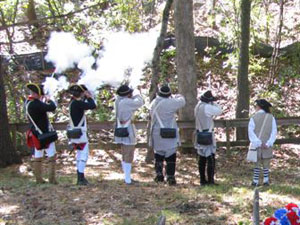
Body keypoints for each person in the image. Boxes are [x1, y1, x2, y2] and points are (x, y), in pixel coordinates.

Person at [150, 85, 186, 185]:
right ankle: (170, 177)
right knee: (170, 155)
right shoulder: (170, 102)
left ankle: (159, 175)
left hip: (157, 132)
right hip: (169, 131)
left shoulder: (154, 103)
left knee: (158, 155)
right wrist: (177, 95)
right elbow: (182, 101)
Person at [25, 83, 58, 184]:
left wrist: (43, 101)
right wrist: (49, 99)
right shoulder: (37, 103)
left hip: (35, 133)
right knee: (52, 156)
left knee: (38, 156)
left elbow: (40, 110)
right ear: (36, 94)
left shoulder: (28, 102)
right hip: (44, 134)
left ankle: (39, 179)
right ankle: (52, 179)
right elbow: (52, 107)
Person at [114, 84, 144, 185]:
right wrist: (137, 94)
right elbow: (140, 102)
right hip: (127, 129)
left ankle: (127, 177)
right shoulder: (126, 102)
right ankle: (127, 179)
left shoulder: (118, 100)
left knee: (124, 153)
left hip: (120, 128)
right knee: (128, 154)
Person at [68, 84, 96, 185]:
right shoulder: (78, 103)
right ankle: (80, 178)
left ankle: (80, 177)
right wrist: (89, 97)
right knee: (83, 155)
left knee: (79, 154)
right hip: (80, 134)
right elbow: (92, 106)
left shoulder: (73, 103)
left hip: (75, 132)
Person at [194, 90, 222, 186]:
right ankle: (210, 180)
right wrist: (214, 103)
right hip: (207, 133)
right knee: (210, 157)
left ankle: (202, 180)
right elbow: (219, 111)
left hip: (199, 133)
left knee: (202, 157)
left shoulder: (198, 106)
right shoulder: (207, 107)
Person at [248, 99, 277, 186]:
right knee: (266, 163)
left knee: (256, 163)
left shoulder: (253, 118)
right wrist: (268, 143)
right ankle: (266, 180)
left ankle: (255, 181)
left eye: (256, 106)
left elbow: (250, 132)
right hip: (267, 143)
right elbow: (274, 132)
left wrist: (257, 142)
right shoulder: (271, 117)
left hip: (256, 144)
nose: (255, 107)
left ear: (259, 107)